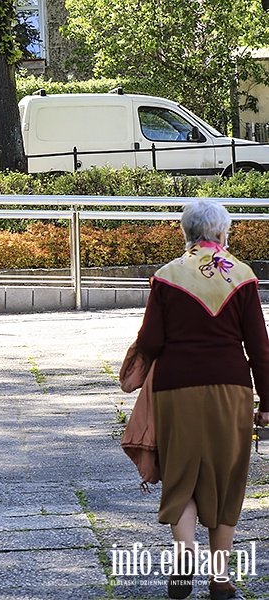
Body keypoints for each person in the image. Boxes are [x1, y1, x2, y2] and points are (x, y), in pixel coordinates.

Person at [133, 199, 269, 600]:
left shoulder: (167, 276)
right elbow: (260, 349)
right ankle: (220, 578)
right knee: (226, 481)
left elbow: (151, 342)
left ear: (186, 233)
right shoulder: (242, 276)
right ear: (223, 234)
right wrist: (268, 402)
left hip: (176, 389)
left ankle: (185, 555)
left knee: (181, 479)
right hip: (232, 391)